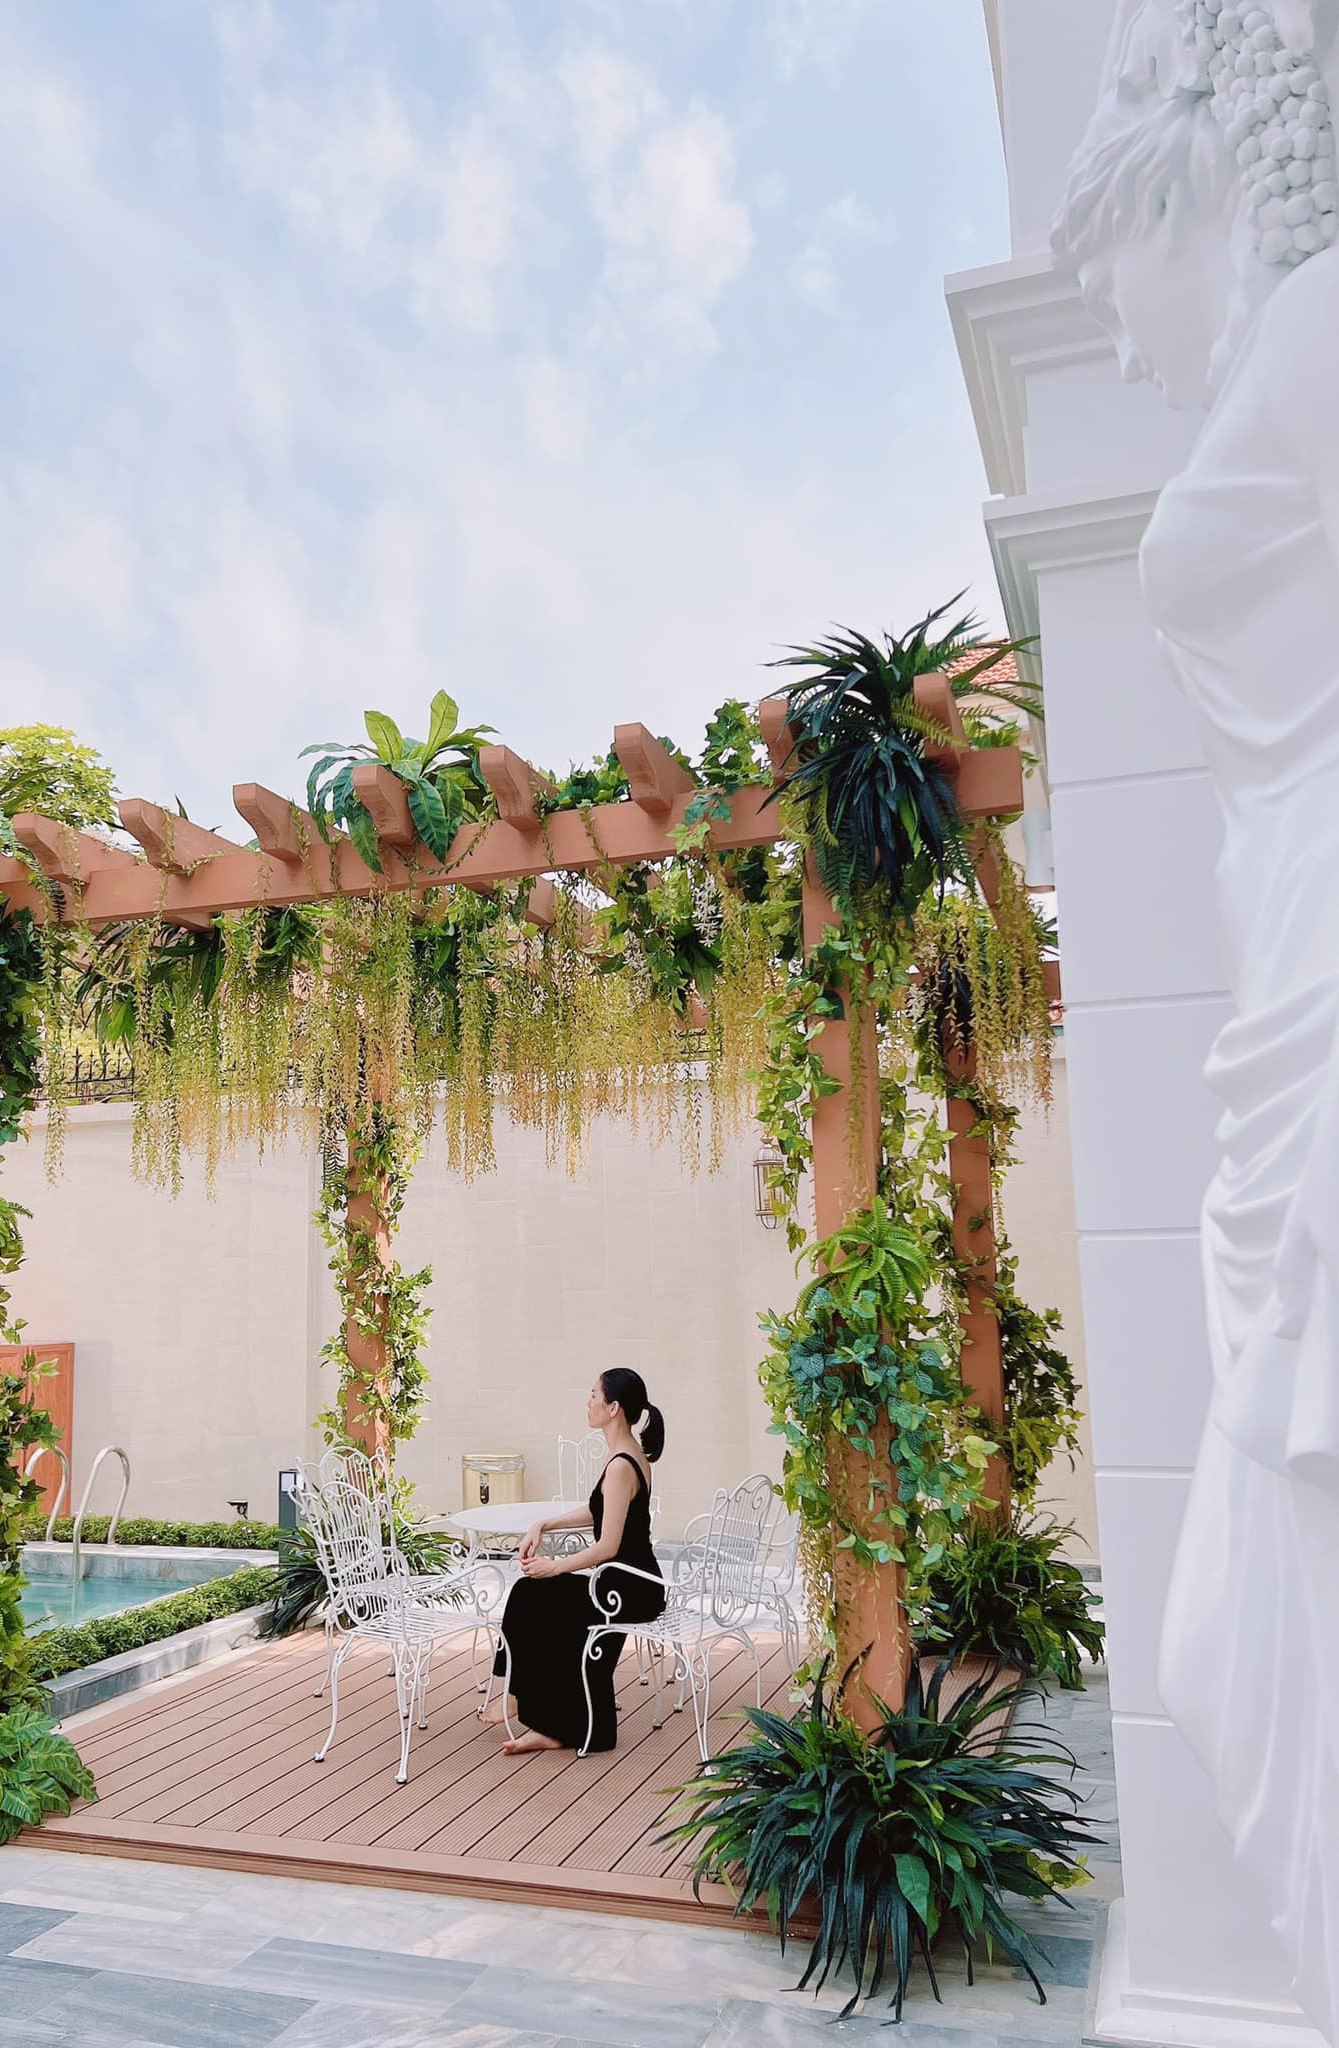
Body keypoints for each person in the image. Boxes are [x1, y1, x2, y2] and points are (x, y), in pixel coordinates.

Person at [1053, 4, 1339, 2032]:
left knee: (1248, 1602)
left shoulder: (1313, 349)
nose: (1118, 344)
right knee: (1235, 1615)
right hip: (1280, 981)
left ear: (1181, 190)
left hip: (1311, 974)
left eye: (1107, 284)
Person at [487, 1369, 666, 1757]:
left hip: (629, 1586)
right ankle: (539, 1715)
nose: (588, 1402)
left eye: (593, 1395)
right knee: (532, 1594)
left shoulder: (621, 1464)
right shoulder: (623, 1455)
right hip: (621, 1581)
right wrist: (544, 1524)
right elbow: (597, 1509)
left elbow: (607, 1546)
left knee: (535, 1595)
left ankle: (525, 1700)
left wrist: (554, 1566)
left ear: (613, 1408)